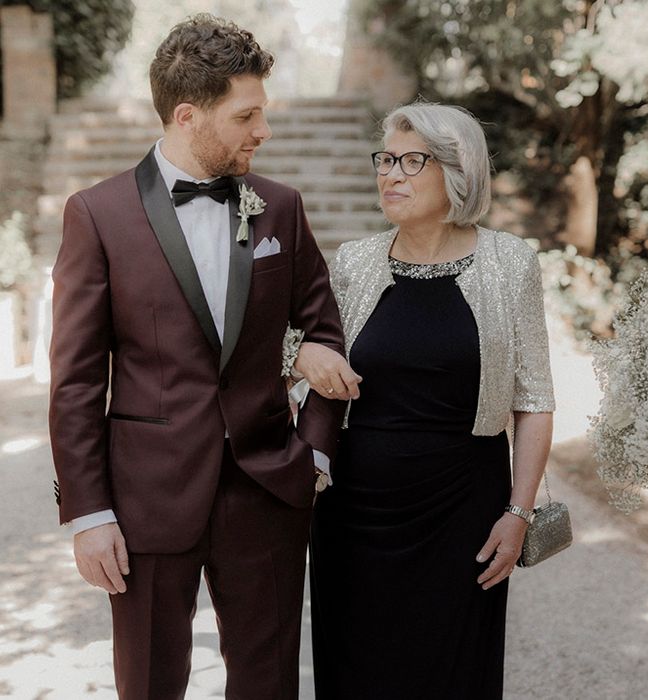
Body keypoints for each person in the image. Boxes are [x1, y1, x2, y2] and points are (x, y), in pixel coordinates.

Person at [48, 14, 354, 699]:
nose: (262, 131)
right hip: (146, 501)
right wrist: (90, 516)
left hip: (268, 492)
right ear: (188, 116)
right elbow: (73, 382)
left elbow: (325, 334)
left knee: (268, 683)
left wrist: (316, 457)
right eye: (247, 116)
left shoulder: (280, 208)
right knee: (152, 683)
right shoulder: (96, 215)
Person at [295, 102, 555, 700]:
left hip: (464, 511)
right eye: (385, 159)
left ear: (458, 170)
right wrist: (301, 358)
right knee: (354, 672)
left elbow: (534, 400)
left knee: (453, 674)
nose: (391, 174)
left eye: (413, 161)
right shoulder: (355, 262)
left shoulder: (511, 263)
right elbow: (310, 361)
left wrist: (518, 514)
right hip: (353, 514)